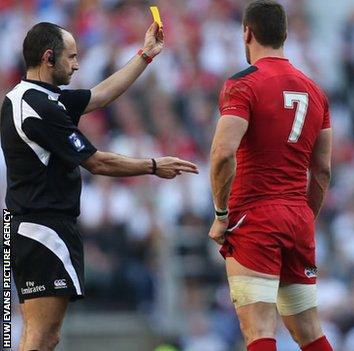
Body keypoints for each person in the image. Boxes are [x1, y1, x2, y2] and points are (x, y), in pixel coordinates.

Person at [1, 21, 198, 351]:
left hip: (32, 227)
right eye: (72, 57)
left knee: (38, 335)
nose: (77, 64)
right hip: (42, 228)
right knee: (42, 336)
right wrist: (152, 165)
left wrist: (145, 55)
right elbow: (96, 161)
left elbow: (102, 94)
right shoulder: (40, 108)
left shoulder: (35, 98)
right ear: (49, 57)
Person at [208, 1, 333, 351]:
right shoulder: (315, 90)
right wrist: (305, 216)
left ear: (247, 32)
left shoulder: (243, 84)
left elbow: (222, 154)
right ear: (285, 36)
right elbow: (322, 170)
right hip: (297, 217)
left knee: (259, 329)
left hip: (254, 216)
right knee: (309, 330)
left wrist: (220, 215)